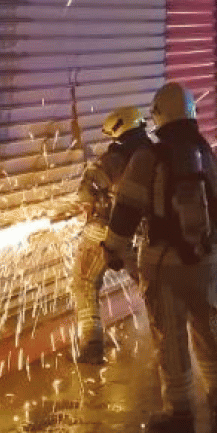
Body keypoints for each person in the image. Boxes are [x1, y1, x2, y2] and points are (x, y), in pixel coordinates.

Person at [103, 82, 217, 433]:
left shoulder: (148, 157)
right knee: (209, 328)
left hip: (162, 265)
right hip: (204, 264)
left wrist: (112, 248)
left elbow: (126, 210)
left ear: (159, 115)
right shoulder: (206, 153)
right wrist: (212, 247)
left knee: (171, 338)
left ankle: (179, 412)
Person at [71, 106, 151, 364]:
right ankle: (168, 343)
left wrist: (86, 205)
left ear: (118, 129)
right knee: (153, 291)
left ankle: (91, 347)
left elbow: (86, 192)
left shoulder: (112, 160)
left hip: (104, 231)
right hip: (140, 237)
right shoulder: (153, 156)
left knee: (85, 284)